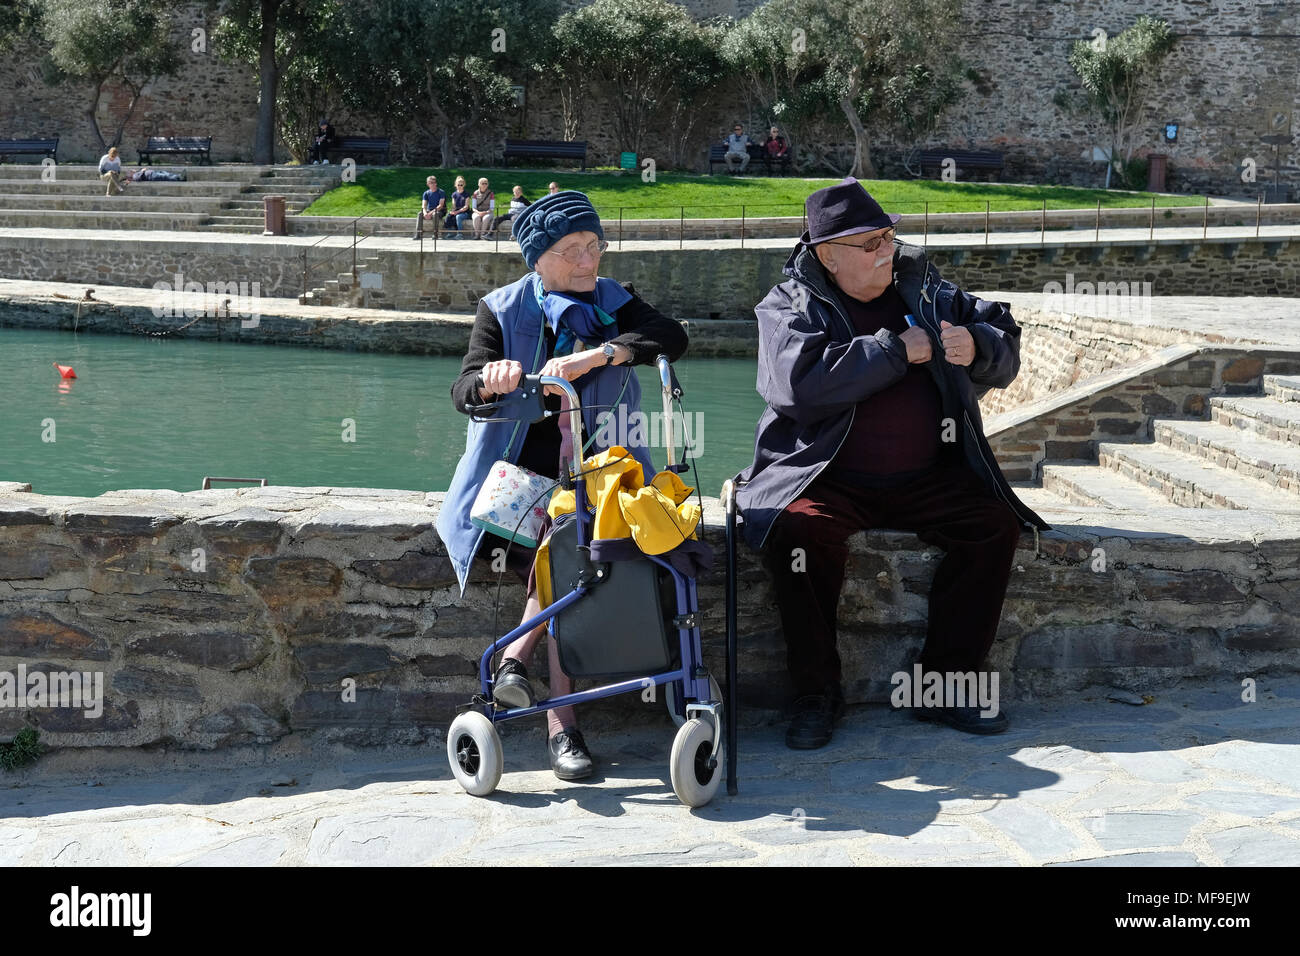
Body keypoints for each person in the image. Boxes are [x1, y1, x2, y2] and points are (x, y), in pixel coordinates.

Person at [733, 177, 1050, 750]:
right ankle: (815, 695)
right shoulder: (786, 305)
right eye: (870, 242)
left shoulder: (925, 289)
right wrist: (895, 350)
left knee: (992, 527)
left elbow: (1004, 333)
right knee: (798, 534)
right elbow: (797, 386)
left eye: (888, 236)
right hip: (823, 474)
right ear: (827, 256)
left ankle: (946, 686)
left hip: (927, 476)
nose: (887, 250)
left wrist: (978, 345)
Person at [436, 189, 688, 780]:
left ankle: (514, 662)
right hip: (516, 476)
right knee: (568, 545)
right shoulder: (499, 311)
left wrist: (603, 354)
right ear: (538, 259)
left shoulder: (615, 301)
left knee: (572, 535)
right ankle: (562, 727)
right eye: (572, 250)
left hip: (599, 473)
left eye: (594, 246)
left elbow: (670, 337)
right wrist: (491, 381)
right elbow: (462, 390)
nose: (588, 262)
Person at [413, 174, 447, 240]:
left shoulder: (441, 192)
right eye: (430, 183)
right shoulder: (426, 193)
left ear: (436, 183)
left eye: (433, 182)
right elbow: (424, 205)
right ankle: (418, 234)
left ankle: (435, 234)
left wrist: (430, 213)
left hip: (440, 211)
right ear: (427, 184)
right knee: (420, 214)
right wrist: (425, 213)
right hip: (429, 210)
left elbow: (440, 205)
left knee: (435, 214)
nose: (432, 184)